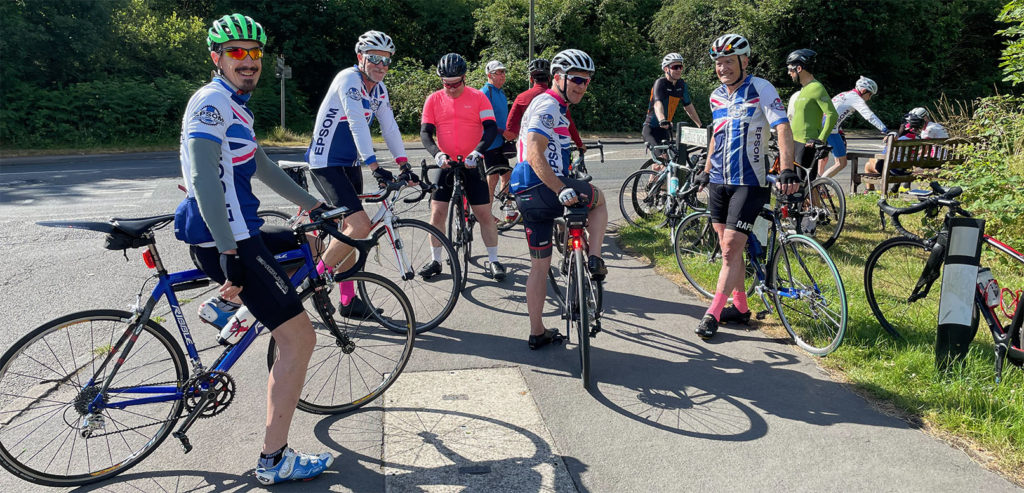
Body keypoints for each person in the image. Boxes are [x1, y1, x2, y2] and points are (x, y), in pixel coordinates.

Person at [172, 13, 334, 484]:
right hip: (227, 236)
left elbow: (260, 164)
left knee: (298, 240)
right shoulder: (211, 103)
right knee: (300, 339)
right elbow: (203, 176)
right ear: (216, 58)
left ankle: (229, 307)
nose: (248, 61)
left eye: (255, 53)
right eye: (237, 52)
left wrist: (313, 204)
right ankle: (273, 459)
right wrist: (228, 253)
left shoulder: (235, 106)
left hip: (241, 231)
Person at [692, 34, 798, 339]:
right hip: (718, 181)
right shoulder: (715, 96)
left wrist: (788, 168)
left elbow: (782, 127)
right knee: (729, 250)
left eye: (728, 62)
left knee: (729, 250)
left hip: (749, 182)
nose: (723, 68)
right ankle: (739, 308)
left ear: (744, 61)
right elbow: (718, 135)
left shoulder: (761, 88)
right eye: (718, 63)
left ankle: (712, 313)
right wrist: (706, 167)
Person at [303, 29, 412, 317]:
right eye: (375, 58)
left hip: (349, 164)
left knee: (349, 232)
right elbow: (357, 124)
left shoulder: (379, 89)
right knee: (360, 226)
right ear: (360, 57)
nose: (381, 65)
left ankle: (348, 301)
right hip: (325, 163)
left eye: (386, 61)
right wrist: (375, 166)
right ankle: (312, 282)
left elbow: (389, 127)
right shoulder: (348, 79)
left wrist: (404, 164)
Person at [509, 49, 609, 349]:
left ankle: (537, 332)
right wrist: (558, 188)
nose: (581, 85)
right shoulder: (549, 105)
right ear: (558, 78)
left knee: (539, 266)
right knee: (600, 200)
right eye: (576, 79)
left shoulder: (553, 107)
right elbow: (534, 151)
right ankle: (594, 258)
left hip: (524, 192)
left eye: (586, 81)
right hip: (542, 185)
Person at [420, 53, 506, 281]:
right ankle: (436, 260)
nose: (450, 88)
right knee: (437, 212)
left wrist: (477, 152)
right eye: (445, 83)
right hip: (446, 162)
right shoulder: (434, 99)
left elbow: (489, 128)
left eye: (455, 83)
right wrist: (437, 153)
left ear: (465, 78)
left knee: (484, 214)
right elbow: (425, 133)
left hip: (471, 162)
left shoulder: (478, 97)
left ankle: (494, 260)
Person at [506, 58, 587, 155]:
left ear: (531, 79)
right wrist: (579, 144)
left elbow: (510, 131)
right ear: (549, 79)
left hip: (528, 152)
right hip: (555, 153)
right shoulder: (556, 99)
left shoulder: (521, 98)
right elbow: (569, 124)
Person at [817, 76, 889, 178]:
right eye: (870, 95)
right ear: (863, 91)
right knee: (841, 163)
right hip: (830, 130)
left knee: (826, 159)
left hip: (827, 127)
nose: (869, 98)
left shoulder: (845, 94)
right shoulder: (855, 98)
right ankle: (820, 184)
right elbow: (869, 115)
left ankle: (818, 184)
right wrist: (885, 129)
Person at [786, 49, 838, 181]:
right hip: (796, 141)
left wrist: (821, 139)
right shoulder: (804, 88)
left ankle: (815, 202)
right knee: (796, 186)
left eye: (790, 70)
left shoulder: (816, 88)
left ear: (799, 68)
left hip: (807, 143)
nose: (789, 73)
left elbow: (832, 114)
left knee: (804, 185)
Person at [642, 52, 702, 161]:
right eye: (675, 67)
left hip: (665, 130)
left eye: (681, 67)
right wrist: (662, 120)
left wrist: (700, 124)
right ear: (666, 69)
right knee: (662, 160)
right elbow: (657, 103)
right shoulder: (660, 83)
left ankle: (654, 178)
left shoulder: (681, 85)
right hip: (651, 128)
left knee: (668, 163)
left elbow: (688, 106)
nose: (679, 70)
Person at [480, 60, 512, 206]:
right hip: (490, 141)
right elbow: (482, 120)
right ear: (489, 75)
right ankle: (487, 214)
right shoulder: (486, 92)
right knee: (492, 178)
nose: (502, 75)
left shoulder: (500, 92)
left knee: (506, 174)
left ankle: (508, 210)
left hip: (501, 141)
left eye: (503, 72)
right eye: (499, 72)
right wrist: (502, 131)